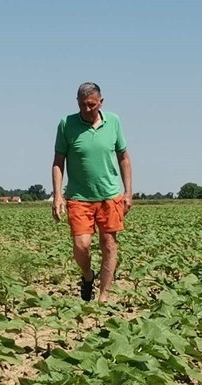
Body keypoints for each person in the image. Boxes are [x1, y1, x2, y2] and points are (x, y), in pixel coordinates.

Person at [52, 82, 132, 303]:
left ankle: (104, 295)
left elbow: (124, 158)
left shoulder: (114, 121)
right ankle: (87, 275)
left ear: (101, 102)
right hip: (79, 197)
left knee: (109, 244)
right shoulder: (66, 124)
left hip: (110, 195)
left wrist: (128, 192)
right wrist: (57, 195)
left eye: (91, 104)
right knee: (82, 245)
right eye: (82, 105)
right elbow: (58, 162)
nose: (86, 109)